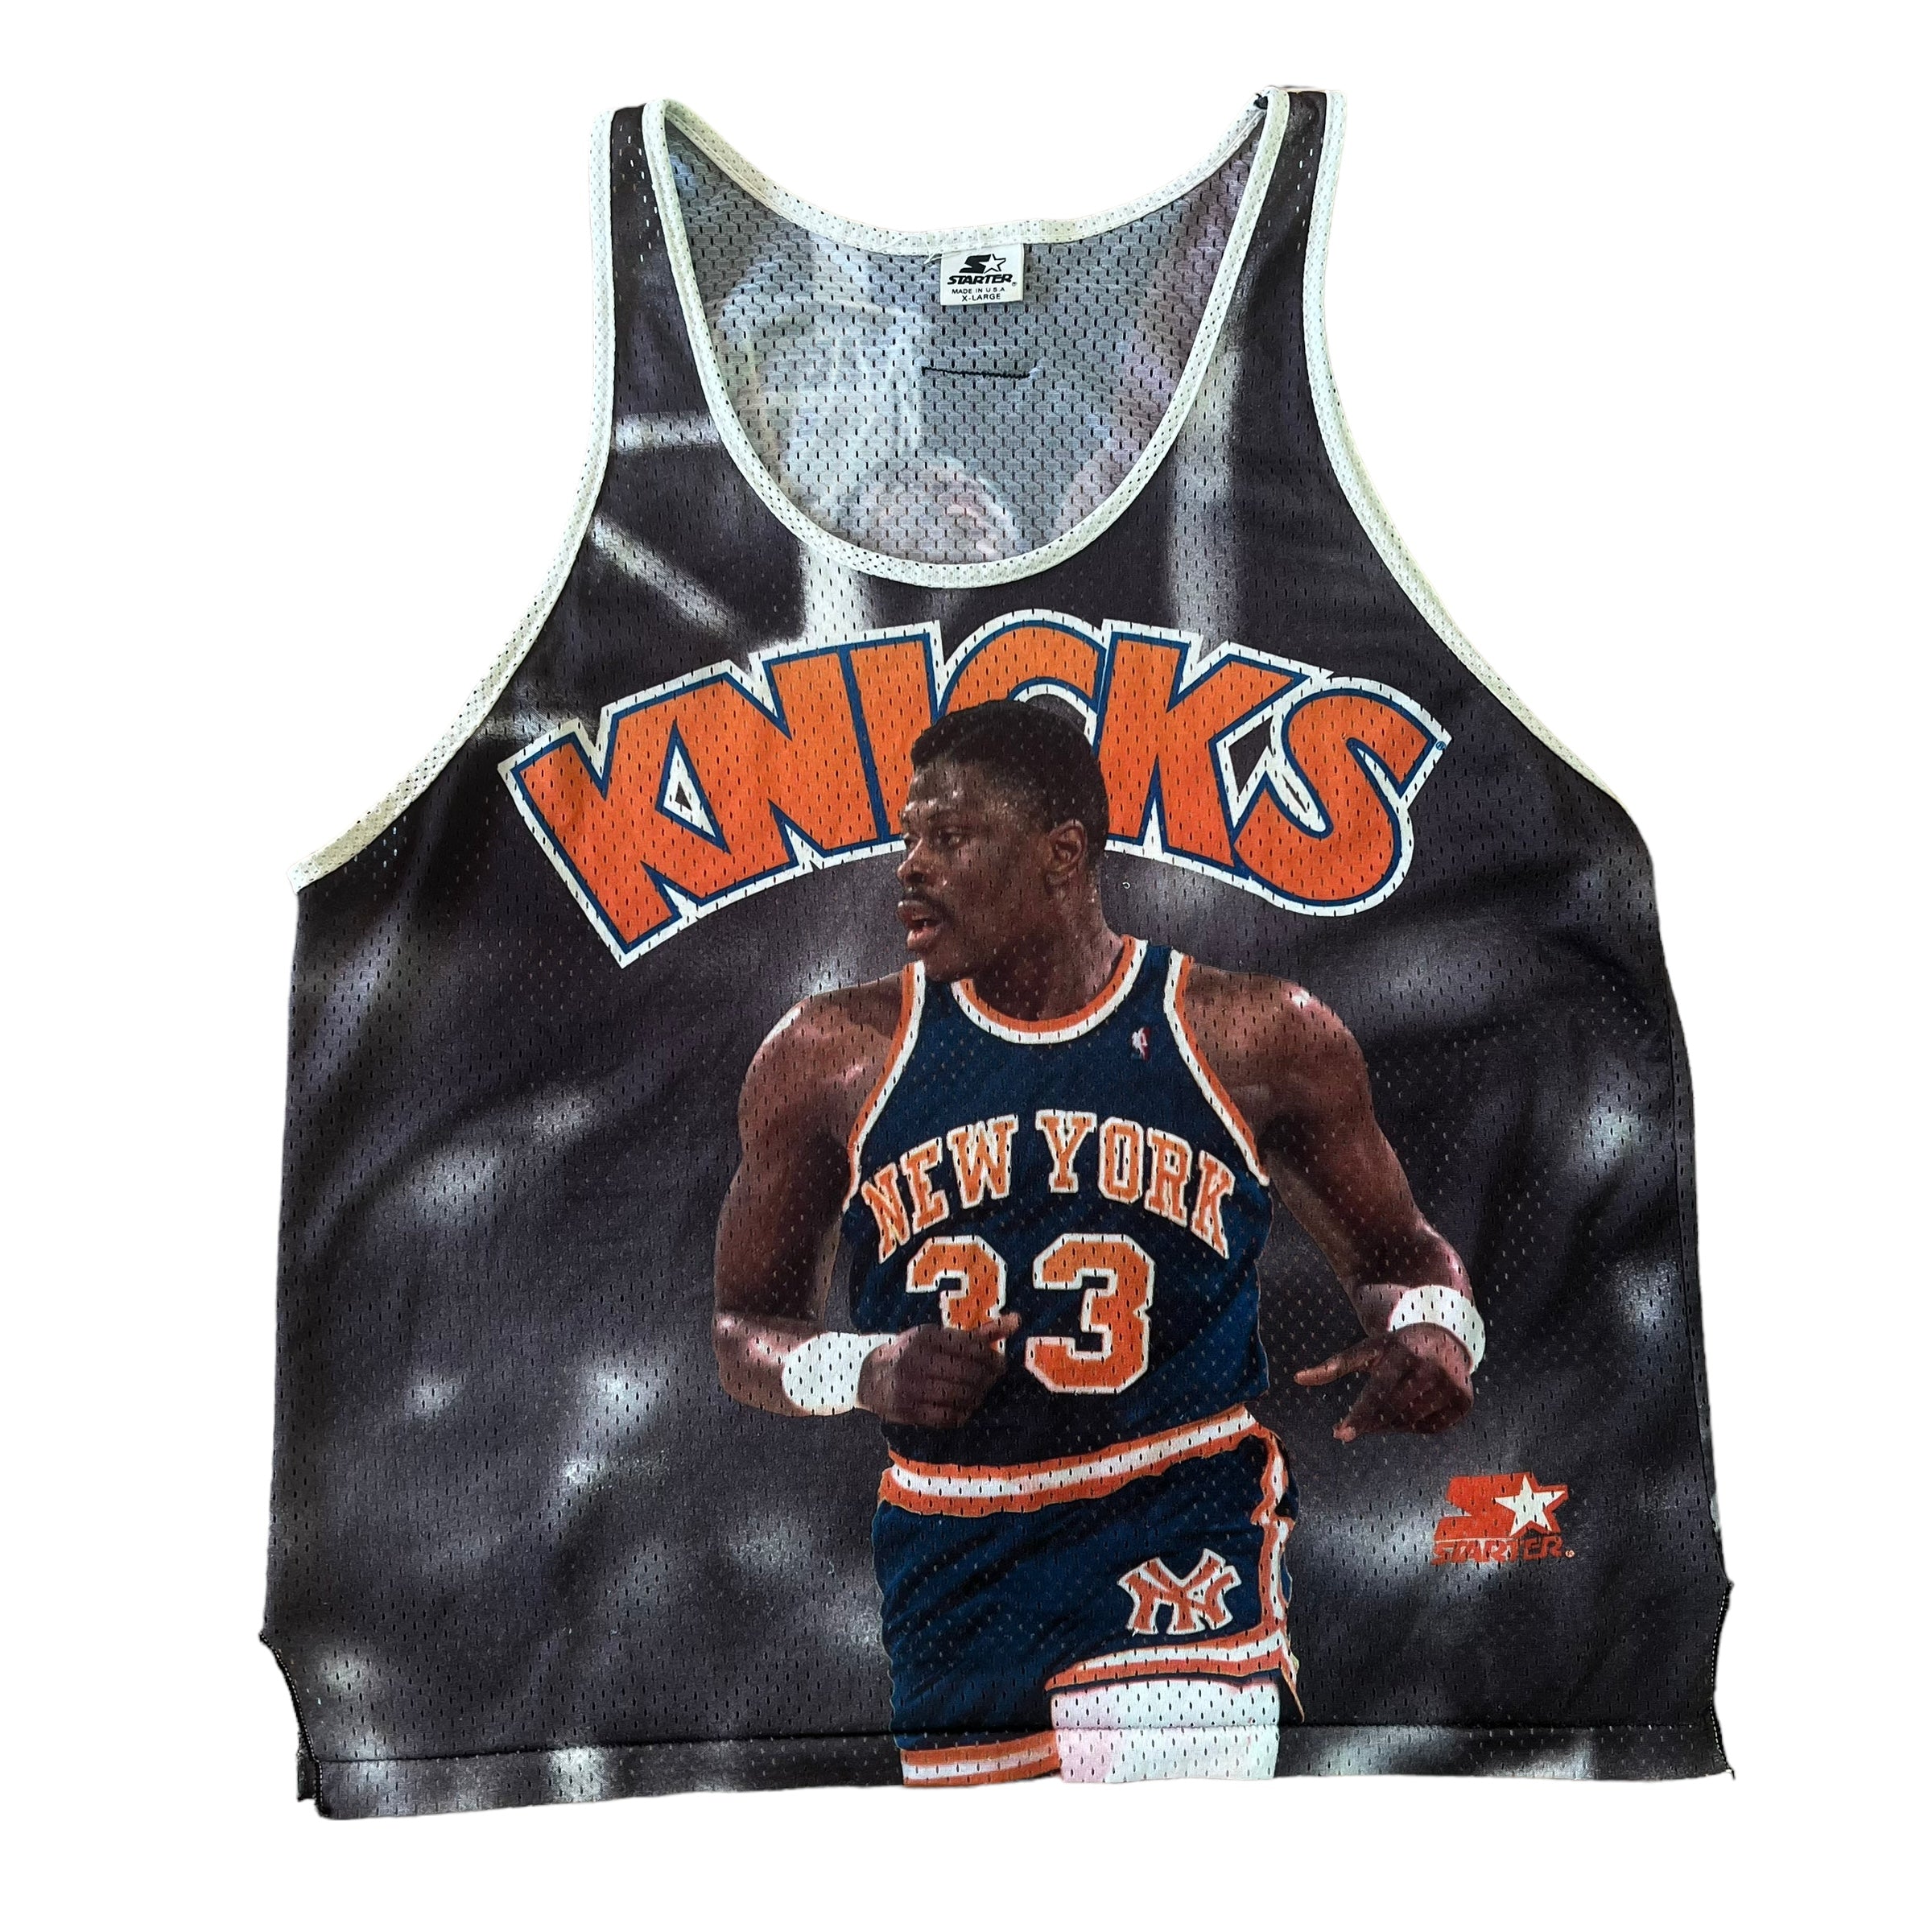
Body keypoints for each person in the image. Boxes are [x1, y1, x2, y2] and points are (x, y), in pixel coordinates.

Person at [712, 698, 1480, 1786]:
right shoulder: (827, 1054)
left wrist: (1439, 1328)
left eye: (952, 837)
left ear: (1061, 855)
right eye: (908, 837)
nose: (910, 868)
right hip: (953, 1545)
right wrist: (863, 1367)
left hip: (1176, 1507)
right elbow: (742, 1328)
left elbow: (1399, 1257)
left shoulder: (1251, 1032)